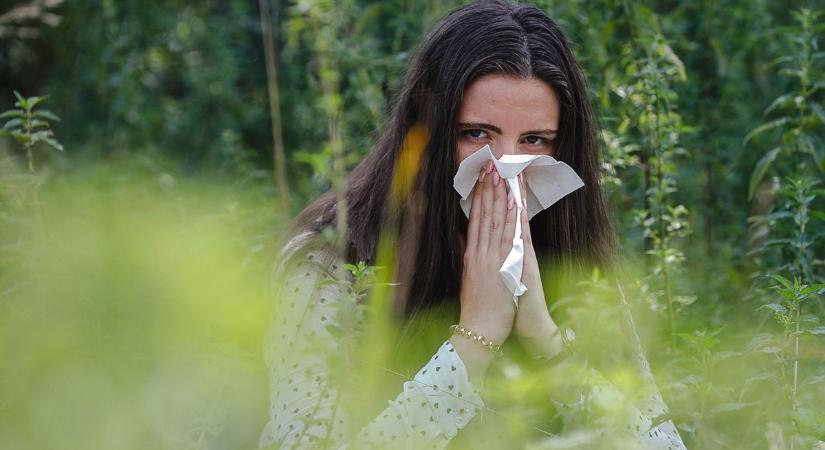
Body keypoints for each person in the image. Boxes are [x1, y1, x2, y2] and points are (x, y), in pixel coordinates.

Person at [258, 1, 688, 449]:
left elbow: (661, 444)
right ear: (430, 135)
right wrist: (473, 342)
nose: (502, 169)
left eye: (534, 140)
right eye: (477, 134)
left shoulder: (574, 254)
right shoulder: (330, 259)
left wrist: (548, 341)